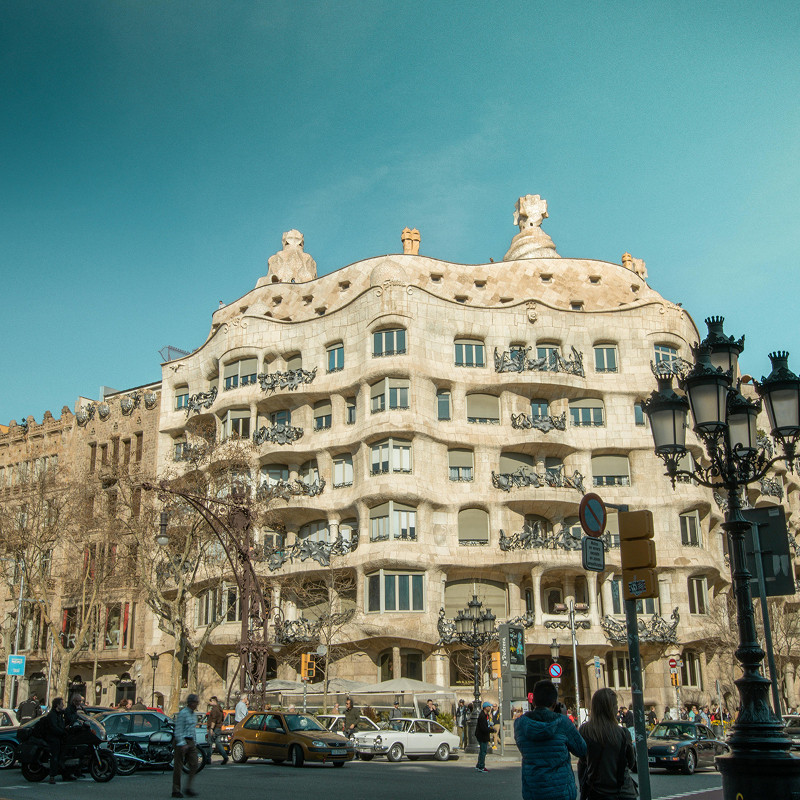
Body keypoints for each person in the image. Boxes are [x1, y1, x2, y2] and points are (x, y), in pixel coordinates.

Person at [514, 679, 587, 800]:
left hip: (533, 791)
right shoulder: (563, 723)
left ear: (533, 702)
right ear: (554, 704)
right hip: (561, 791)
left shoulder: (520, 724)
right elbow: (581, 750)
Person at [578, 688, 637, 800]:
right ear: (611, 708)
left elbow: (582, 759)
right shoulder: (623, 734)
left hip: (596, 791)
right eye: (615, 705)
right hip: (623, 792)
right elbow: (631, 763)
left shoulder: (585, 731)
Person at [173, 694, 200, 798]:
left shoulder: (194, 714)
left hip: (191, 740)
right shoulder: (183, 713)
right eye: (195, 702)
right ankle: (176, 790)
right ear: (190, 703)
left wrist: (194, 742)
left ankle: (188, 787)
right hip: (182, 740)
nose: (196, 704)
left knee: (194, 764)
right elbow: (178, 729)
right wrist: (182, 743)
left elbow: (193, 729)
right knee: (178, 766)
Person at [44, 697, 66, 784]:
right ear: (57, 705)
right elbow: (54, 727)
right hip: (53, 738)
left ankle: (66, 773)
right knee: (55, 756)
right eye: (61, 704)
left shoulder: (59, 714)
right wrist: (62, 732)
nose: (63, 705)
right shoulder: (52, 715)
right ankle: (52, 776)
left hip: (59, 736)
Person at [206, 695, 228, 765]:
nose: (210, 703)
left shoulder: (215, 709)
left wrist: (211, 729)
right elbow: (222, 719)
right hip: (218, 728)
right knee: (218, 743)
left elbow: (213, 720)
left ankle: (207, 758)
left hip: (214, 728)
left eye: (211, 701)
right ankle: (225, 756)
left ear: (213, 701)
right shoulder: (220, 709)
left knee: (210, 743)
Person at [475, 701, 493, 772]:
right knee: (483, 751)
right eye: (489, 707)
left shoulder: (486, 715)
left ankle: (479, 765)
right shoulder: (482, 716)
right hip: (482, 736)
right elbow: (483, 728)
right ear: (486, 707)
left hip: (483, 735)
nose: (490, 708)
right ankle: (481, 766)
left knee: (482, 751)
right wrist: (491, 730)